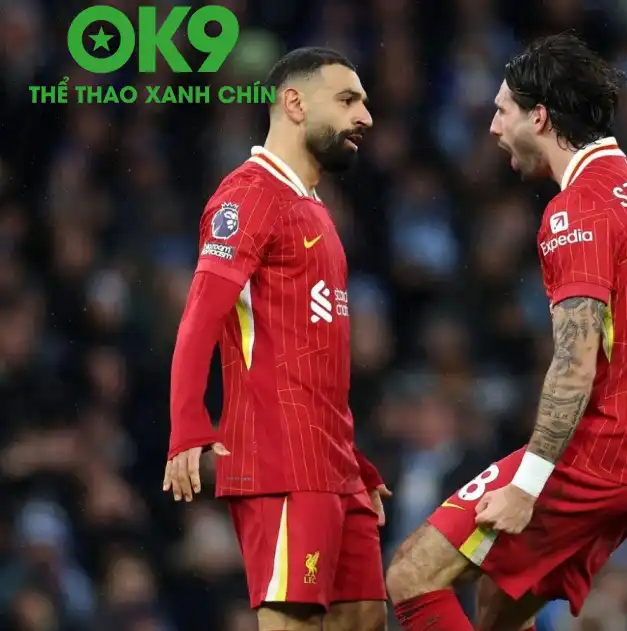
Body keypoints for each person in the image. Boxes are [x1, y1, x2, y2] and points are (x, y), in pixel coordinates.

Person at [385, 33, 627, 631]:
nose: (493, 127)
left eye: (503, 111)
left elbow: (574, 363)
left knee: (411, 576)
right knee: (498, 604)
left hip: (599, 451)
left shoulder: (577, 208)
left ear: (540, 117)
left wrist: (528, 486)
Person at [162, 47, 388, 631]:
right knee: (294, 621)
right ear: (294, 103)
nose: (365, 116)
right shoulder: (249, 196)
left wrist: (351, 458)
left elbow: (312, 356)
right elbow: (199, 318)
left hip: (333, 463)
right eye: (348, 100)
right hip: (281, 462)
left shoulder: (313, 209)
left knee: (366, 618)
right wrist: (188, 424)